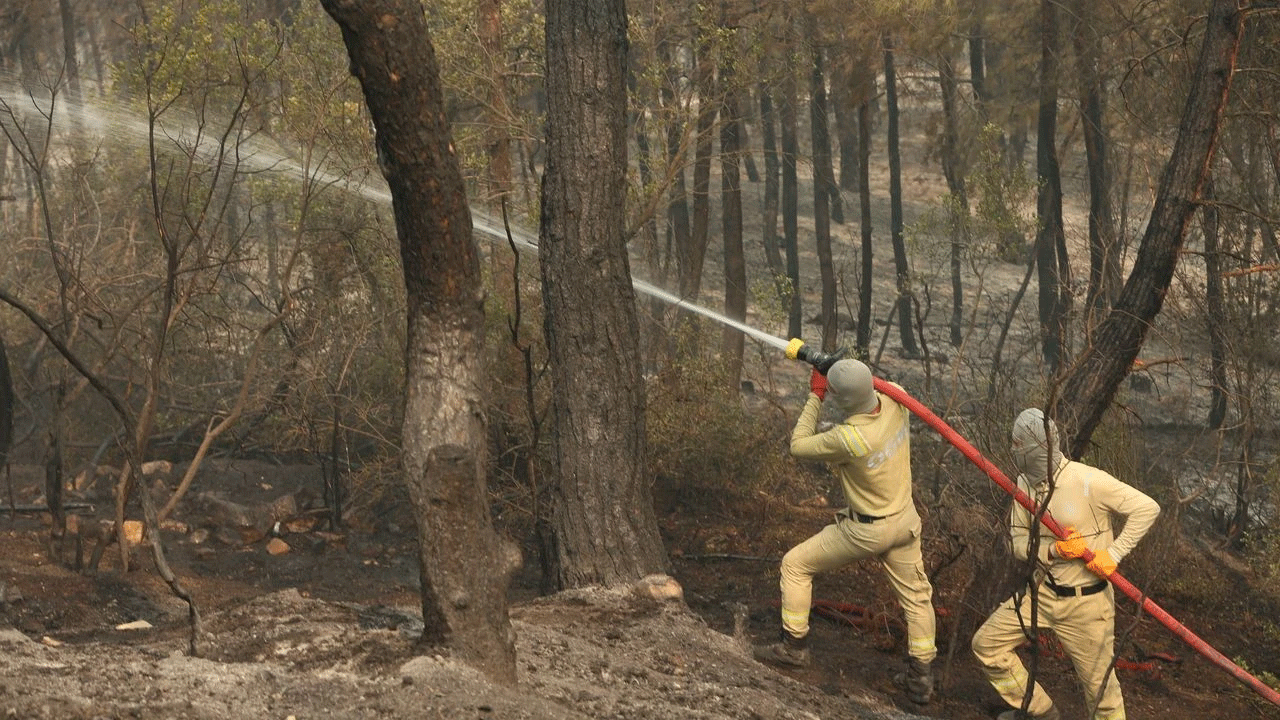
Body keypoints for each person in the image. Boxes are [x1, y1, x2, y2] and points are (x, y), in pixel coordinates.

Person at [753, 359, 938, 705]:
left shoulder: (849, 438)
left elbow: (798, 444)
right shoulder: (897, 398)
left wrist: (816, 395)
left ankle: (793, 648)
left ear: (842, 400)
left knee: (795, 565)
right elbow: (871, 384)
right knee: (917, 598)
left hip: (867, 530)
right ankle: (921, 680)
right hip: (905, 521)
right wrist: (842, 367)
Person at [971, 408, 1161, 720]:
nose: (1014, 451)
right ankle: (1040, 712)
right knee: (986, 646)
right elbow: (1017, 543)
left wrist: (1113, 554)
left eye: (1019, 445)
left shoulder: (1088, 481)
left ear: (1036, 450)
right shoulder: (1024, 483)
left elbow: (1147, 508)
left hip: (1086, 605)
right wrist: (1054, 550)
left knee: (1102, 695)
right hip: (1042, 592)